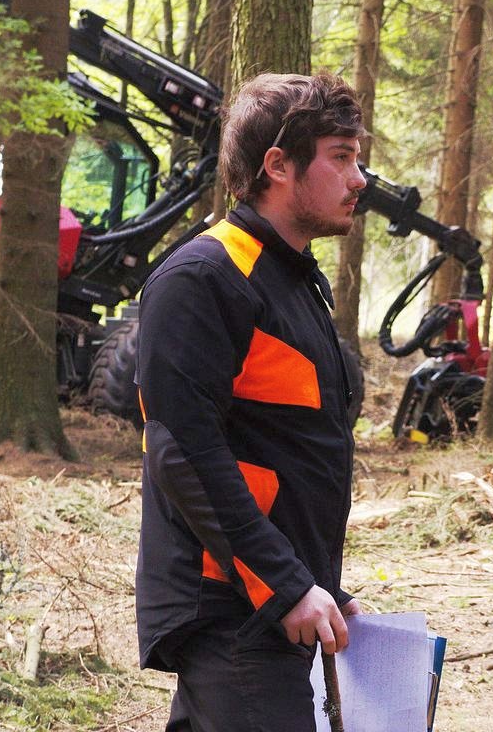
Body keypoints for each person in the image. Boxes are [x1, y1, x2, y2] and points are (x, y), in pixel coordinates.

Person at [135, 72, 368, 732]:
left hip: (273, 607)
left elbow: (280, 450)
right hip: (231, 613)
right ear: (278, 166)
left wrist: (321, 586)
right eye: (341, 157)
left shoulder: (295, 280)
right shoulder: (202, 278)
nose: (359, 180)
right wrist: (285, 585)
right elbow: (182, 453)